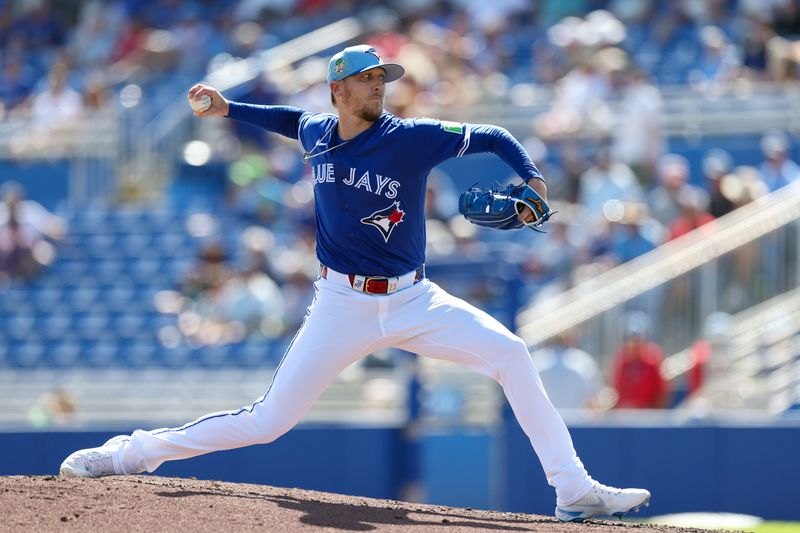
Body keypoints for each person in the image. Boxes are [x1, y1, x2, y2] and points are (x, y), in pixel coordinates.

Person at [59, 44, 650, 522]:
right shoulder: (318, 128)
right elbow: (291, 120)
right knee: (268, 423)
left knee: (512, 354)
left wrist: (535, 180)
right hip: (340, 301)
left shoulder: (409, 136)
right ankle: (127, 453)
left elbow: (494, 135)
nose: (378, 86)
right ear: (338, 90)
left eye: (382, 78)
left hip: (413, 298)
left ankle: (573, 490)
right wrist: (228, 108)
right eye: (366, 78)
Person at [611, 311, 669, 409]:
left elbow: (661, 392)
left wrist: (652, 414)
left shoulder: (654, 358)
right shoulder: (621, 358)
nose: (633, 342)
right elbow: (616, 390)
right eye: (629, 338)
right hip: (625, 416)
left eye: (637, 338)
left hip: (647, 416)